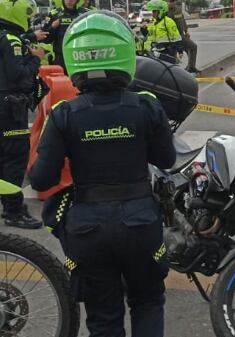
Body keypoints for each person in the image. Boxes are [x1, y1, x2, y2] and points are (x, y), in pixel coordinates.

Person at [29, 11, 175, 337]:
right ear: (124, 54)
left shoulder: (64, 113)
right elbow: (166, 159)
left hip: (87, 229)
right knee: (148, 301)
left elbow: (41, 179)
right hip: (140, 223)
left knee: (103, 317)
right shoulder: (147, 106)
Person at [0, 0, 44, 229]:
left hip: (3, 106)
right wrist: (36, 58)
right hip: (10, 108)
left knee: (3, 156)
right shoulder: (10, 40)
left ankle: (8, 203)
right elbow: (20, 76)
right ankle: (14, 211)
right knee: (15, 157)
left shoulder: (4, 36)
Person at [42, 0, 89, 69]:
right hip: (61, 57)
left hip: (82, 56)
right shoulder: (54, 14)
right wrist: (52, 27)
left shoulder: (86, 13)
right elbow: (45, 39)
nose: (70, 1)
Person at [167, 0, 199, 73]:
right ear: (167, 2)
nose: (172, 3)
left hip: (182, 34)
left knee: (190, 49)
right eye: (170, 1)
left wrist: (186, 31)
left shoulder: (178, 9)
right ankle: (190, 67)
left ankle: (190, 67)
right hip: (175, 36)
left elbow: (183, 21)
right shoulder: (166, 13)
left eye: (173, 1)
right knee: (193, 47)